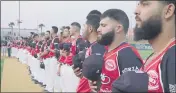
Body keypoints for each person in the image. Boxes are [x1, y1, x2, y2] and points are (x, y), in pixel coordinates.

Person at [89, 9, 144, 92]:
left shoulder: (127, 54)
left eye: (103, 25)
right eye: (99, 25)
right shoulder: (107, 52)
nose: (98, 29)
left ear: (118, 28)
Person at [133, 1, 175, 92]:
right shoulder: (155, 55)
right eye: (138, 4)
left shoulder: (172, 57)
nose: (136, 11)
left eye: (145, 4)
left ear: (168, 11)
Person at [73, 14, 106, 92]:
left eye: (84, 27)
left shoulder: (99, 47)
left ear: (90, 28)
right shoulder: (91, 46)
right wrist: (83, 75)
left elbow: (101, 78)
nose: (82, 30)